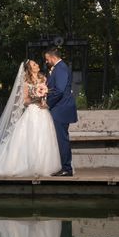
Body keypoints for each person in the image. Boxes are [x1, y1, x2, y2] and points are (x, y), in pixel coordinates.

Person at [44, 47, 78, 177]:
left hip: (61, 109)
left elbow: (59, 90)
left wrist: (48, 103)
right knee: (60, 139)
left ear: (53, 57)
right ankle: (63, 166)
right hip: (60, 108)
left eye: (47, 59)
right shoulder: (59, 68)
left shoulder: (61, 68)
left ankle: (66, 169)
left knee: (62, 139)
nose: (47, 62)